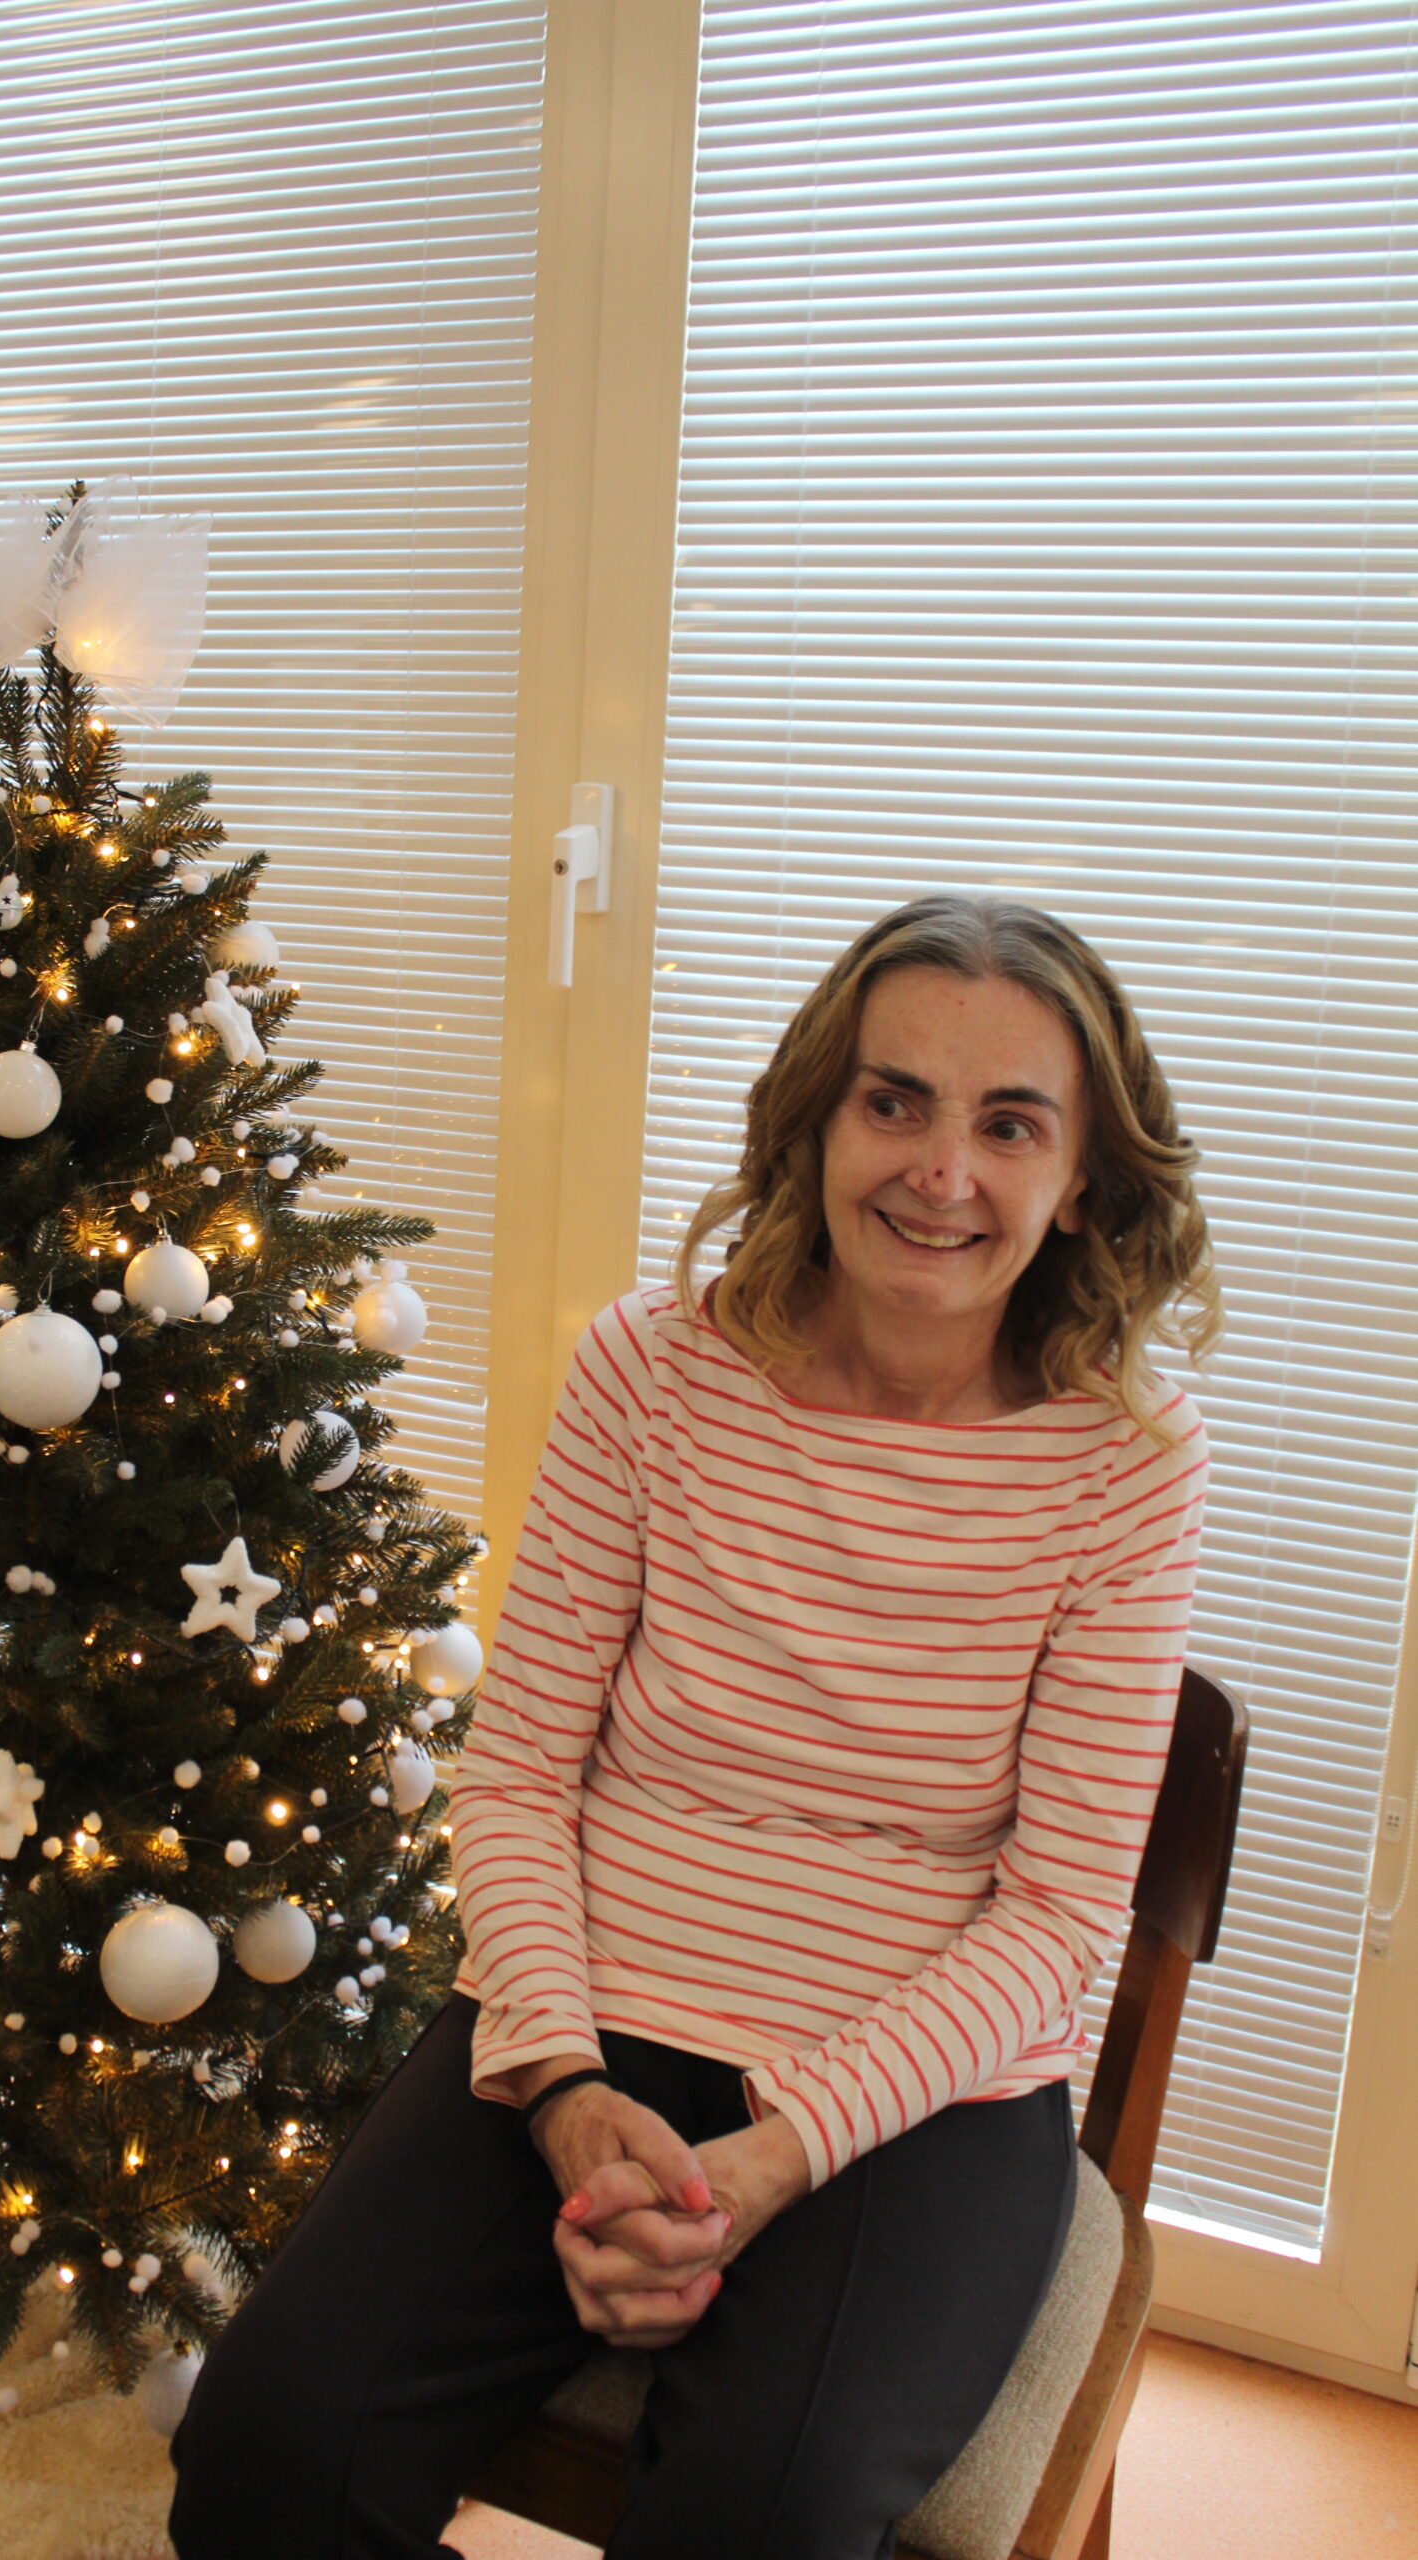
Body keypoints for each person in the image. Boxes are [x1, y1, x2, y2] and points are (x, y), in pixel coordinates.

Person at [169, 891, 1218, 2560]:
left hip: (921, 2091)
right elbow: (519, 1777)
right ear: (818, 1120)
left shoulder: (1126, 1461)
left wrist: (772, 2159)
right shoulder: (652, 1373)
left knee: (759, 2521)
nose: (941, 1173)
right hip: (587, 2011)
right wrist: (569, 2095)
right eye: (894, 1102)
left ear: (1082, 1177)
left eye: (1010, 1124)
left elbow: (1061, 1913)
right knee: (273, 2446)